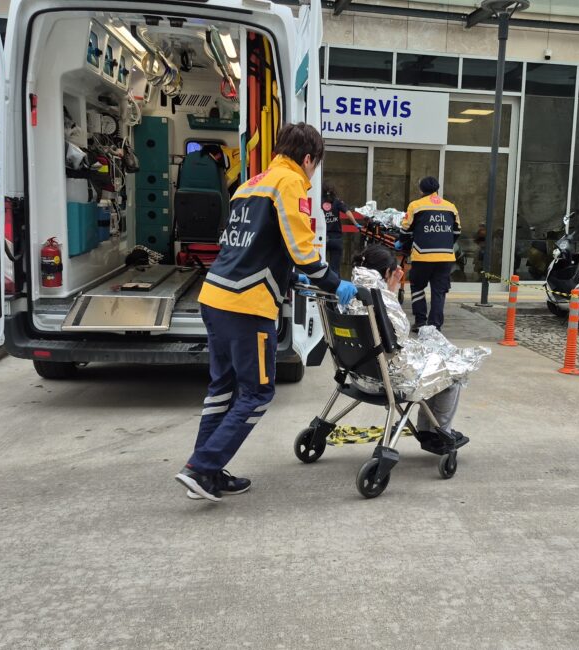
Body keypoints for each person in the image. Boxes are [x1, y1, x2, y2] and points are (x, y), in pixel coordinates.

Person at [176, 123, 356, 503]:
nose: (313, 174)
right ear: (308, 158)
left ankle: (207, 473)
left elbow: (247, 245)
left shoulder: (249, 185)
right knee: (257, 392)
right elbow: (301, 249)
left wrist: (288, 277)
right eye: (315, 165)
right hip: (246, 304)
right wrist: (333, 282)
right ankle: (201, 468)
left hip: (215, 296)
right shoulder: (289, 183)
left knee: (222, 389)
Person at [350, 244, 473, 446]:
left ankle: (429, 429)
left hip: (357, 375)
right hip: (384, 381)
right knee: (453, 371)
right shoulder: (380, 300)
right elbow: (399, 337)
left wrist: (388, 288)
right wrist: (391, 291)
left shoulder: (350, 294)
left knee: (434, 361)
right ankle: (439, 432)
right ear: (387, 272)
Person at [401, 176, 460, 331]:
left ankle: (420, 322)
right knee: (439, 291)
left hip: (422, 256)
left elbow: (405, 229)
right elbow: (457, 232)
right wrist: (444, 244)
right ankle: (435, 326)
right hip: (445, 257)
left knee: (417, 287)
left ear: (421, 190)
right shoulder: (450, 207)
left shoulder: (416, 205)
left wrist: (403, 243)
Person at [321, 183, 349, 276]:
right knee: (335, 267)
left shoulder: (319, 202)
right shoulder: (337, 201)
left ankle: (321, 283)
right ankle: (335, 283)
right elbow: (347, 212)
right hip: (336, 239)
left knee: (320, 266)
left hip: (323, 239)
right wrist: (356, 223)